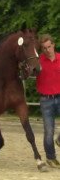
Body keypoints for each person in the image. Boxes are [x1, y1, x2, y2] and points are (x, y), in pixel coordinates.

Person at [36, 34, 60, 168]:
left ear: (53, 45)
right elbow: (28, 72)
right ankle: (51, 158)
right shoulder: (38, 61)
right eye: (44, 48)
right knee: (49, 130)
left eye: (49, 46)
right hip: (46, 100)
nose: (47, 50)